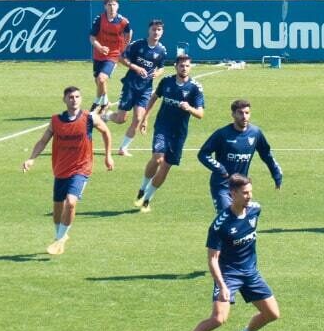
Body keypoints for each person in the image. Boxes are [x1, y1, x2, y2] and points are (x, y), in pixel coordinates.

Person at [171, 175, 280, 331]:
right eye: (245, 193)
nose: (249, 196)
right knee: (218, 318)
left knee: (272, 314)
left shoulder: (255, 210)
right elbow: (212, 259)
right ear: (233, 193)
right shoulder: (220, 225)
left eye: (250, 192)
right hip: (228, 274)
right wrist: (222, 285)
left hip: (250, 272)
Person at [21, 86, 114, 256]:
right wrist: (31, 158)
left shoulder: (89, 118)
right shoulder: (56, 121)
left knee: (71, 202)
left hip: (81, 168)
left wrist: (108, 156)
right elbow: (43, 141)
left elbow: (106, 132)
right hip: (60, 169)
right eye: (70, 97)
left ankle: (60, 238)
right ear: (64, 100)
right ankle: (60, 237)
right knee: (58, 207)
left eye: (77, 96)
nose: (74, 100)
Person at [133, 53, 205, 213]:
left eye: (187, 66)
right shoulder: (166, 82)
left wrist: (190, 108)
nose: (184, 68)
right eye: (181, 65)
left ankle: (147, 199)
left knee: (166, 167)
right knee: (158, 158)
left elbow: (200, 114)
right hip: (162, 127)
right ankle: (142, 188)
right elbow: (154, 97)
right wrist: (145, 118)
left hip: (179, 133)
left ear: (190, 67)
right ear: (176, 67)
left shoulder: (195, 88)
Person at [197, 99, 283, 214]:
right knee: (227, 216)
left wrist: (276, 174)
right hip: (222, 186)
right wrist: (219, 168)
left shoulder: (255, 133)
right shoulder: (222, 134)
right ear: (233, 114)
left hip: (241, 187)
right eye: (240, 113)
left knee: (239, 219)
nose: (244, 117)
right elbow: (203, 154)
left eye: (247, 113)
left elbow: (266, 154)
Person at [104, 19, 167, 157]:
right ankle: (106, 116)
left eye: (159, 30)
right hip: (130, 86)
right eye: (154, 29)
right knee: (121, 119)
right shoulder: (138, 45)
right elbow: (121, 58)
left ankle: (123, 148)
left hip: (145, 89)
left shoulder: (161, 50)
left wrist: (158, 73)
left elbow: (162, 67)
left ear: (162, 32)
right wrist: (135, 67)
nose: (156, 32)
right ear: (149, 30)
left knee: (138, 118)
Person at [88, 0, 130, 115]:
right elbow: (92, 37)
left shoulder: (123, 22)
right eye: (109, 4)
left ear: (118, 6)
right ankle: (105, 102)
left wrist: (123, 49)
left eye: (114, 4)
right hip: (99, 54)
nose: (112, 7)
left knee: (101, 78)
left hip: (113, 55)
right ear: (105, 6)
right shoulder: (99, 19)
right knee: (98, 81)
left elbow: (128, 34)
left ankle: (96, 103)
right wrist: (100, 47)